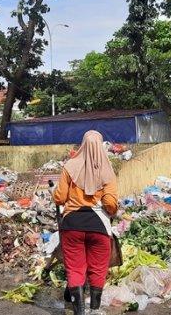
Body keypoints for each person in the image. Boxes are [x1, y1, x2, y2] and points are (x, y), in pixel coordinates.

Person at [53, 130, 119, 315]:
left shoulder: (70, 166)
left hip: (72, 225)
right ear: (100, 145)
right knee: (98, 270)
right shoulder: (107, 169)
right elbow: (111, 204)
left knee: (75, 269)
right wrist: (109, 208)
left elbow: (59, 198)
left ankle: (79, 312)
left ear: (82, 144)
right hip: (98, 228)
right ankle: (95, 310)